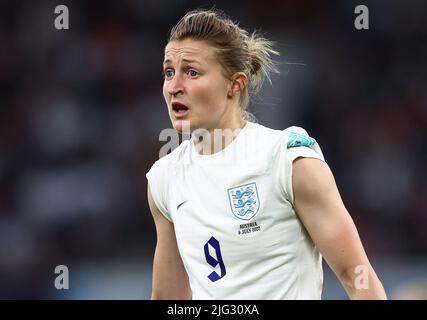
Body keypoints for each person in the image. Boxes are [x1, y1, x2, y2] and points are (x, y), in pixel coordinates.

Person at [146, 8, 387, 300]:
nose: (174, 87)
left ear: (235, 85)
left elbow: (357, 277)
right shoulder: (164, 177)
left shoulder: (288, 160)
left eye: (192, 72)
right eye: (169, 72)